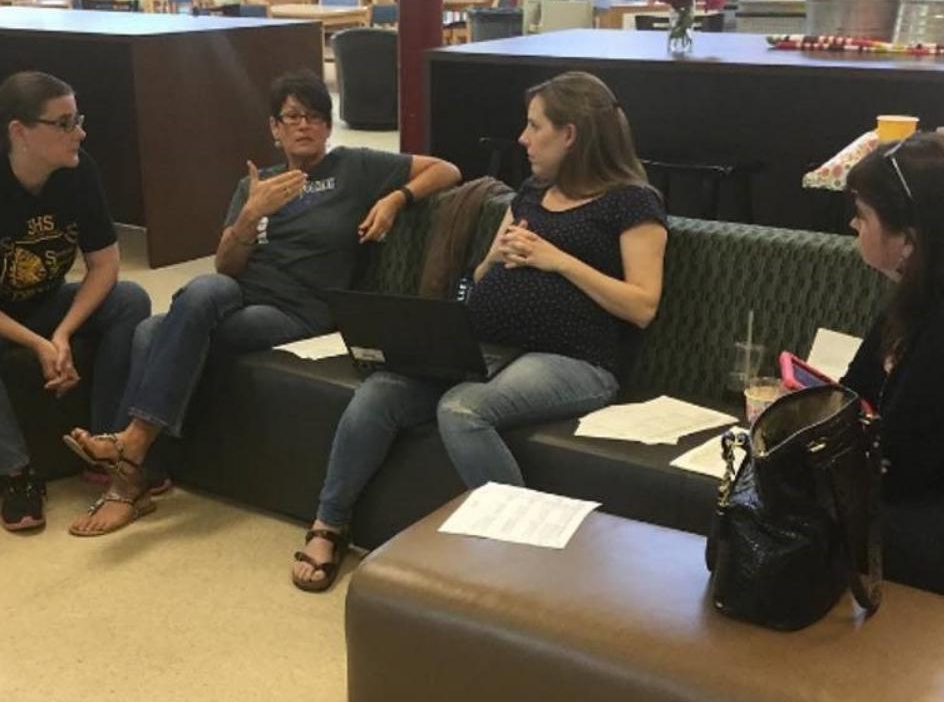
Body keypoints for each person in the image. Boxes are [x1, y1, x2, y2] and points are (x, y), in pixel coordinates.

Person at [291, 71, 669, 591]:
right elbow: (481, 277)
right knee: (380, 391)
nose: (523, 138)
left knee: (463, 410)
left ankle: (527, 558)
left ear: (570, 134)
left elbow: (642, 305)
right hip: (487, 346)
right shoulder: (532, 193)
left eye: (534, 126)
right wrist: (494, 259)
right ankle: (329, 526)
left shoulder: (632, 201)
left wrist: (558, 261)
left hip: (575, 359)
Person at [64, 69, 461, 536]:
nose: (304, 125)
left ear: (328, 126)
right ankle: (135, 456)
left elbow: (447, 169)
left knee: (154, 332)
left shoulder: (355, 167)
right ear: (274, 128)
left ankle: (129, 471)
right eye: (292, 117)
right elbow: (227, 266)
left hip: (300, 311)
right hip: (244, 293)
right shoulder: (256, 184)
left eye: (315, 116)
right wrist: (251, 214)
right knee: (197, 294)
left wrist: (396, 199)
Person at [0, 71, 150, 531]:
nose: (79, 133)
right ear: (19, 132)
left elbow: (105, 265)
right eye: (63, 123)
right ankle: (17, 473)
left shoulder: (79, 170)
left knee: (129, 299)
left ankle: (104, 448)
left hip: (42, 303)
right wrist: (38, 344)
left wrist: (62, 333)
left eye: (77, 119)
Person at [840, 132, 944, 595]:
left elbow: (904, 461)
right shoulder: (912, 298)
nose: (853, 224)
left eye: (863, 215)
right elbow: (853, 389)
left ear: (908, 238)